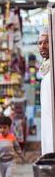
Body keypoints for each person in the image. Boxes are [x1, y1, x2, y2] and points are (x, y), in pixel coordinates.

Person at [38, 27, 54, 155]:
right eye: (40, 42)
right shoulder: (46, 69)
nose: (42, 46)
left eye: (46, 42)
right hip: (48, 131)